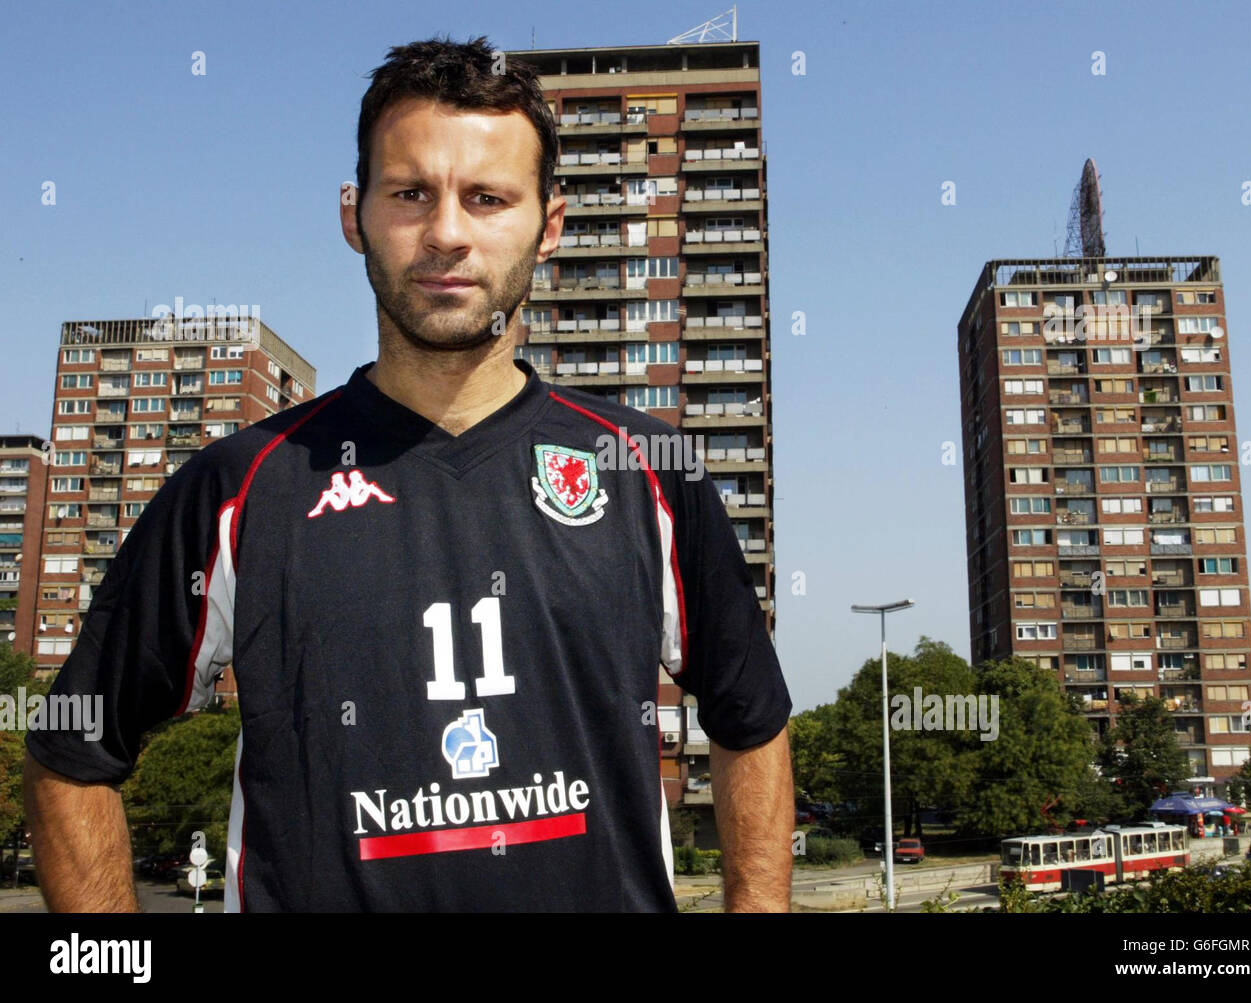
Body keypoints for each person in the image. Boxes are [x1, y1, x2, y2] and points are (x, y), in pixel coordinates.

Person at [23, 34, 793, 912]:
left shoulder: (648, 472)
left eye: (487, 197)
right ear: (354, 215)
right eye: (410, 193)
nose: (447, 233)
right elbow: (69, 758)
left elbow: (752, 723)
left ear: (550, 227)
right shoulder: (239, 489)